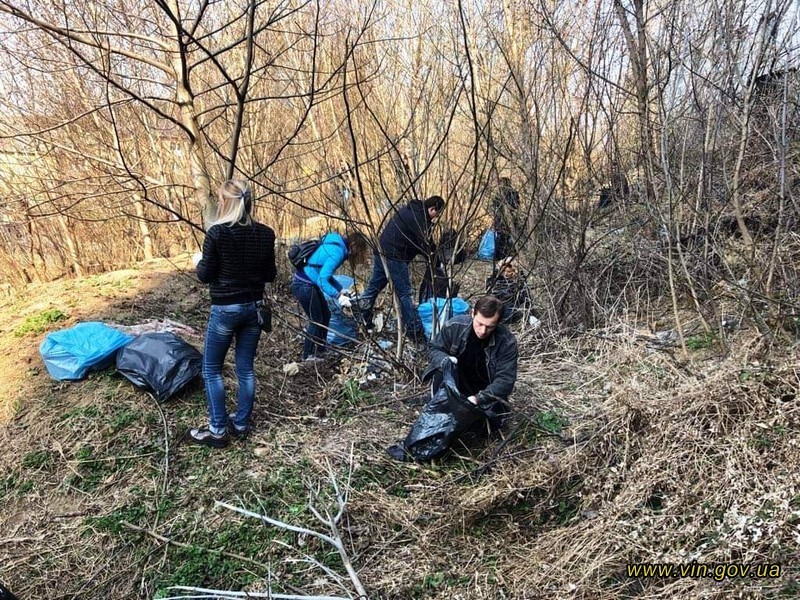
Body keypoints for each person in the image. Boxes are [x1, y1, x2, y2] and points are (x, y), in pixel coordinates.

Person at [187, 179, 277, 448]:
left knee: (211, 368)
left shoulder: (216, 233)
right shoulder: (266, 233)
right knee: (245, 368)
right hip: (253, 309)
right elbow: (270, 275)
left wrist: (197, 261)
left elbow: (205, 275)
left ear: (224, 202)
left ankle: (217, 430)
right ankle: (240, 424)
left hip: (225, 310)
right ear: (250, 202)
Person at [388, 295, 518, 461]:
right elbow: (434, 349)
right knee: (440, 412)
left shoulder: (506, 342)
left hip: (483, 393)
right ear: (472, 313)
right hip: (456, 383)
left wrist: (478, 399)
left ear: (498, 323)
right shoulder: (455, 325)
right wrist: (445, 360)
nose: (483, 331)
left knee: (484, 428)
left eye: (490, 327)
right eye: (479, 323)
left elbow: (505, 381)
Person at [360, 195, 446, 341]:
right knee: (405, 294)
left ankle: (362, 318)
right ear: (432, 209)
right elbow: (426, 244)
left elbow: (417, 244)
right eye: (436, 214)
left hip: (381, 252)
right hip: (394, 256)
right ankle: (416, 332)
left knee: (373, 288)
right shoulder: (418, 218)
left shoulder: (411, 211)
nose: (435, 218)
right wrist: (437, 263)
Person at [291, 231, 369, 360]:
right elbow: (322, 280)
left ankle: (321, 350)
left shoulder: (336, 246)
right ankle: (308, 355)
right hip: (304, 285)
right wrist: (339, 296)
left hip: (307, 283)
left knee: (325, 315)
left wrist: (340, 289)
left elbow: (324, 274)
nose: (357, 254)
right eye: (359, 250)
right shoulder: (337, 252)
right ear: (353, 244)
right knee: (316, 320)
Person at [492, 177, 519, 260]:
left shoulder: (498, 193)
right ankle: (509, 254)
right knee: (509, 237)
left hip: (500, 219)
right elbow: (516, 205)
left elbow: (494, 206)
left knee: (500, 237)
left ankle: (499, 256)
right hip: (509, 218)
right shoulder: (513, 192)